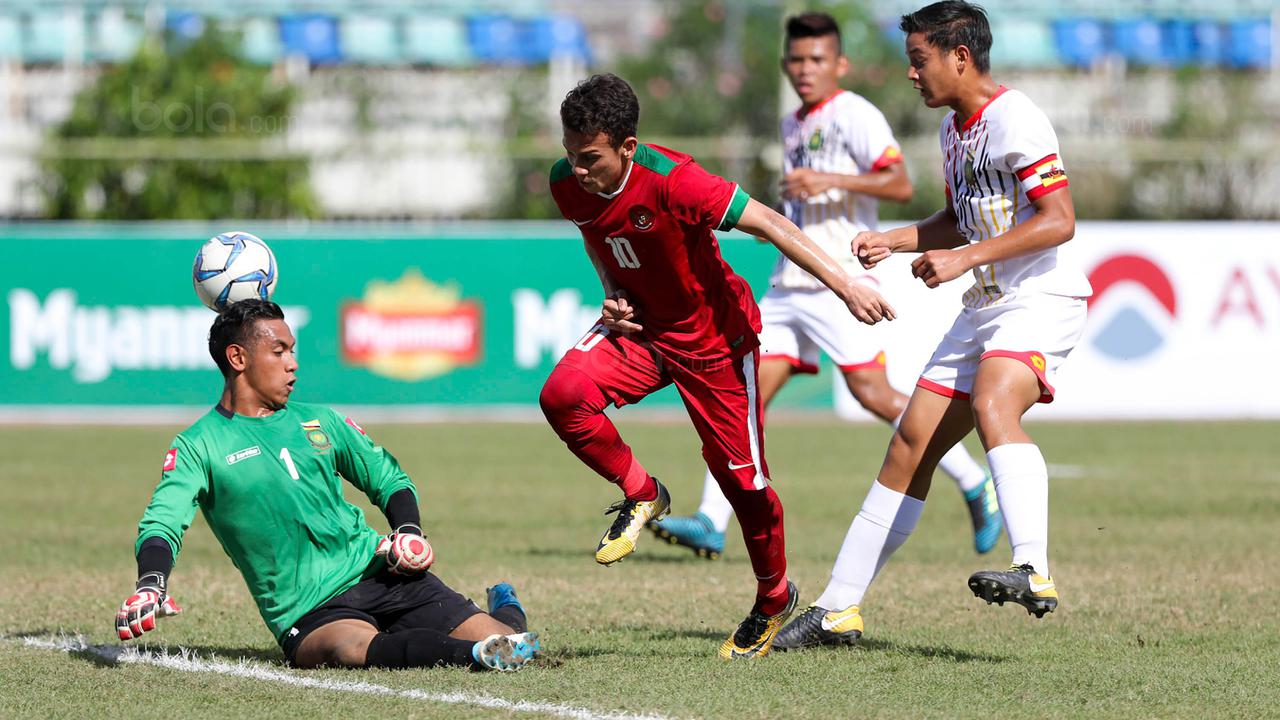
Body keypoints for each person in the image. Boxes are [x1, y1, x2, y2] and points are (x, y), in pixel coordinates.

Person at [539, 74, 894, 659]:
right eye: (570, 154)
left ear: (628, 147)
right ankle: (643, 492)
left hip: (715, 343)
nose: (577, 169)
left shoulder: (678, 182)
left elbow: (773, 224)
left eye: (590, 158)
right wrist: (611, 290)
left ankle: (774, 597)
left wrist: (847, 286)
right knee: (563, 395)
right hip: (643, 331)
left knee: (743, 485)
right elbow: (595, 236)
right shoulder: (567, 181)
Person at [773, 0, 1092, 650]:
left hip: (1039, 298)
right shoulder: (954, 129)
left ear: (960, 56)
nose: (911, 74)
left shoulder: (1016, 117)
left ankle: (1033, 569)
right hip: (983, 307)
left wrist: (963, 259)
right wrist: (895, 241)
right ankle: (837, 609)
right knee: (908, 446)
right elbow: (961, 217)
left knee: (993, 401)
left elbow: (1059, 219)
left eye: (919, 61)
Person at [649, 11, 999, 563]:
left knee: (872, 394)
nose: (804, 69)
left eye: (816, 59)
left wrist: (827, 179)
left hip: (840, 280)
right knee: (741, 394)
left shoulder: (855, 113)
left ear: (840, 64)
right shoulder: (792, 123)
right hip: (790, 284)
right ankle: (713, 520)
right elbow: (805, 198)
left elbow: (898, 181)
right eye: (796, 60)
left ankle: (974, 481)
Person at [115, 299, 540, 672]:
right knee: (349, 649)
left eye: (292, 350)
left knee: (513, 640)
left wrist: (408, 530)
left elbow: (388, 478)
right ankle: (475, 656)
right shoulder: (198, 445)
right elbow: (162, 523)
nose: (292, 363)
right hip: (309, 607)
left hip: (380, 573)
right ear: (238, 358)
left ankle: (505, 607)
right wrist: (152, 583)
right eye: (279, 351)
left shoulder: (319, 419)